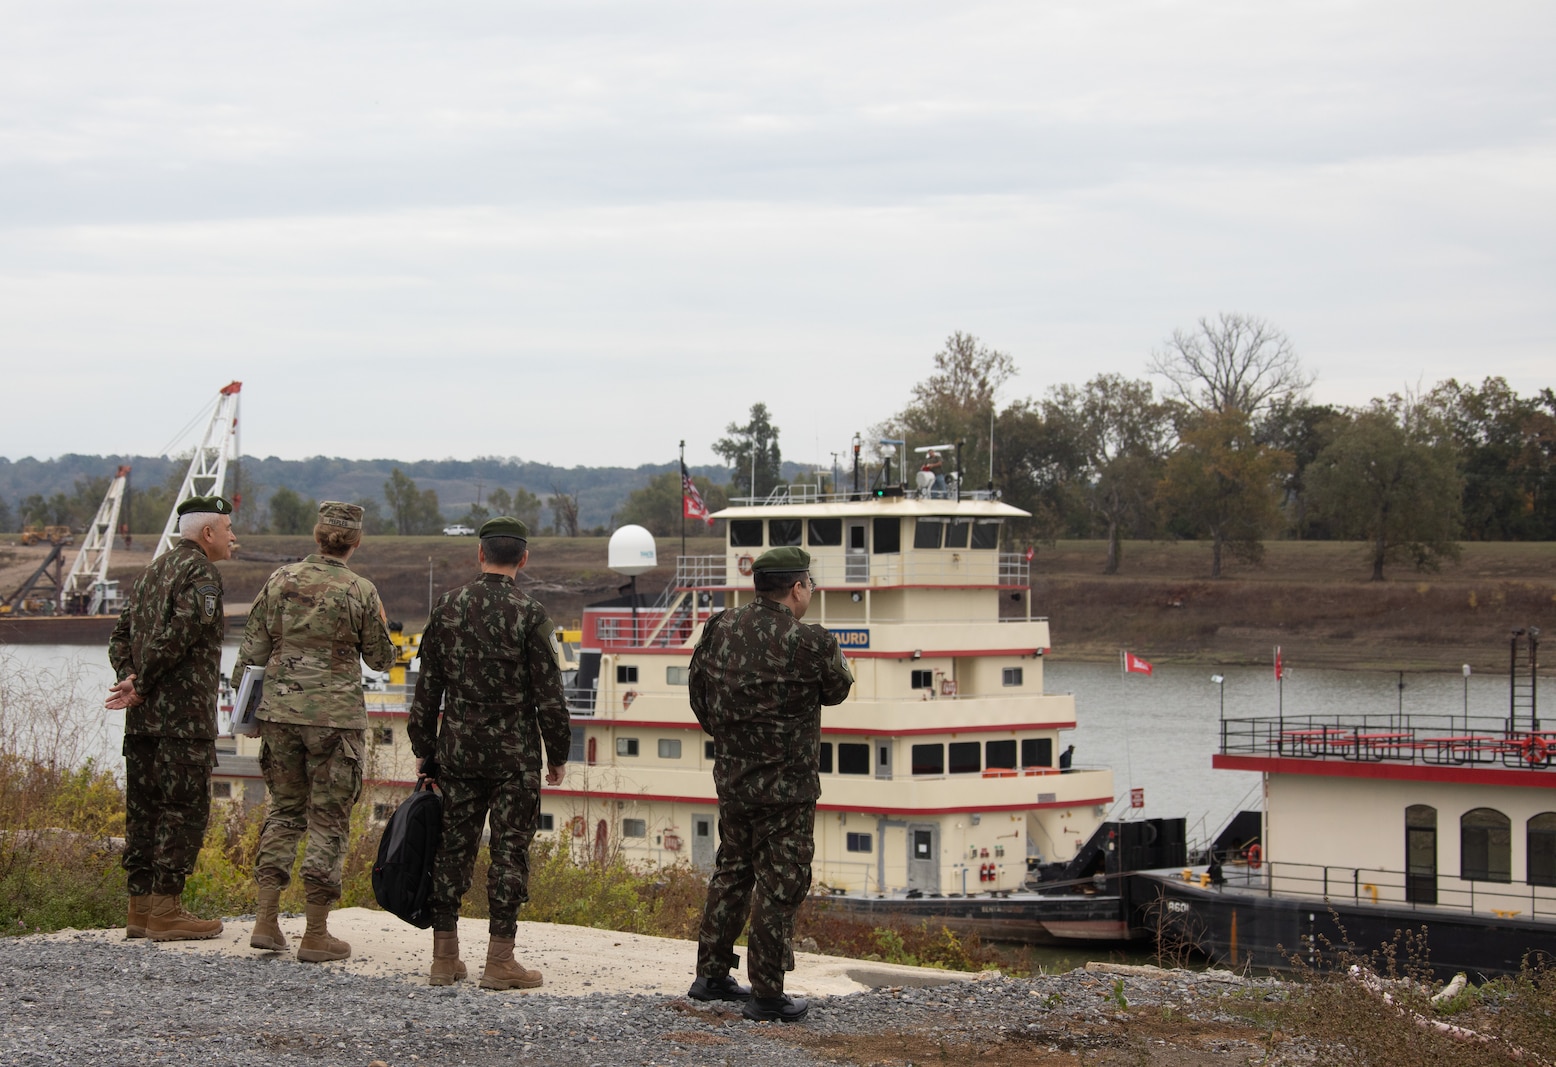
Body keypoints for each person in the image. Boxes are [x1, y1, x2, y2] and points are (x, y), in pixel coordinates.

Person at [688, 546, 853, 1022]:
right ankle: (767, 994)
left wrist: (733, 741)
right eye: (810, 585)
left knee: (732, 873)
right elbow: (838, 690)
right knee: (781, 885)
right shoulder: (810, 642)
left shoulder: (720, 627)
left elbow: (700, 698)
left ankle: (712, 976)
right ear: (798, 587)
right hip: (788, 790)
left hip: (734, 781)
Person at [408, 516, 571, 990]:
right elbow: (550, 696)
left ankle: (444, 959)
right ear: (524, 558)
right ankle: (499, 961)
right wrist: (557, 752)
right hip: (514, 758)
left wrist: (424, 747)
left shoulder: (447, 607)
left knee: (451, 849)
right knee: (509, 853)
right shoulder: (532, 614)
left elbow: (427, 689)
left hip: (457, 751)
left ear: (479, 555)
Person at [232, 501, 395, 961]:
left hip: (279, 715)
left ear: (317, 535)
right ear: (356, 541)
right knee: (328, 819)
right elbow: (381, 659)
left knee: (284, 812)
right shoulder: (361, 590)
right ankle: (316, 933)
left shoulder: (279, 580)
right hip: (334, 720)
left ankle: (265, 922)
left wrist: (247, 713)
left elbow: (251, 652)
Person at [106, 495, 237, 942]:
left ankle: (139, 911)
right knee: (183, 811)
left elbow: (118, 635)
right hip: (182, 722)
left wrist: (129, 676)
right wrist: (141, 682)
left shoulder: (149, 573)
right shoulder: (201, 572)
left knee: (142, 812)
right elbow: (183, 633)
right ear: (207, 534)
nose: (233, 536)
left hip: (141, 723)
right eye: (227, 528)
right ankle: (167, 910)